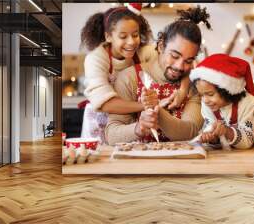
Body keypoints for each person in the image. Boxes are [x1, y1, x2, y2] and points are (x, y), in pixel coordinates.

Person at [80, 4, 190, 143]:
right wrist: (149, 105)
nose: (131, 42)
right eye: (123, 36)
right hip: (101, 121)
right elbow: (105, 104)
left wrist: (183, 90)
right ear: (108, 36)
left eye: (135, 35)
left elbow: (183, 59)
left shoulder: (143, 52)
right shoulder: (96, 58)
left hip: (129, 122)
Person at [106, 6, 212, 145]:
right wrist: (138, 128)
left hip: (182, 163)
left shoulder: (193, 85)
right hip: (137, 164)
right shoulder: (129, 78)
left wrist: (156, 111)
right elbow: (111, 135)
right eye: (174, 56)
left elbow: (190, 131)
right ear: (161, 46)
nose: (180, 66)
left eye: (188, 61)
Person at [189, 54, 254, 149]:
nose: (205, 100)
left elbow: (248, 140)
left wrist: (227, 131)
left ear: (226, 90)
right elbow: (209, 130)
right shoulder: (208, 104)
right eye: (201, 95)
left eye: (210, 94)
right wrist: (211, 138)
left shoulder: (247, 102)